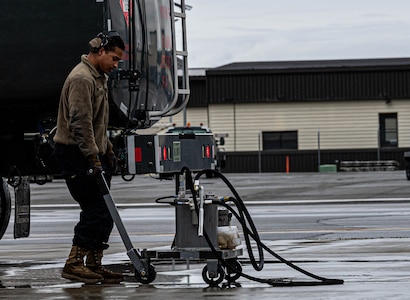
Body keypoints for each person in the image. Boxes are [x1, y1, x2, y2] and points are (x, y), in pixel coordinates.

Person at [53, 31, 125, 284]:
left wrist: (107, 150)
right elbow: (80, 123)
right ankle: (74, 263)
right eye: (114, 59)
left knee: (106, 210)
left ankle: (94, 263)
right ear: (101, 51)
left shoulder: (98, 78)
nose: (116, 65)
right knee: (95, 208)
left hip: (92, 151)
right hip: (76, 153)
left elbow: (98, 123)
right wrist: (93, 158)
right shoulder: (82, 79)